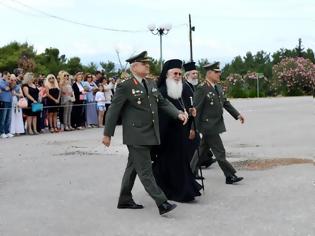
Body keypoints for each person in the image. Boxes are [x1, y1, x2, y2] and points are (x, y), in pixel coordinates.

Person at [102, 51, 188, 215]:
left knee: (133, 167)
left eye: (148, 64)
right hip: (136, 134)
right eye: (144, 64)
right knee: (145, 171)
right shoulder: (125, 86)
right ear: (134, 66)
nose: (148, 66)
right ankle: (162, 202)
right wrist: (107, 134)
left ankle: (124, 199)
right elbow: (113, 110)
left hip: (149, 133)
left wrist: (177, 113)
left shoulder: (150, 83)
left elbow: (162, 103)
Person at [152, 59, 202, 202]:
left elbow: (184, 106)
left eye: (179, 73)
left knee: (180, 162)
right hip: (167, 134)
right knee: (169, 164)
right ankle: (174, 191)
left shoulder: (180, 90)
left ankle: (182, 189)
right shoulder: (161, 91)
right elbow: (161, 114)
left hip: (180, 133)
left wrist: (190, 112)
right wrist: (178, 115)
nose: (178, 76)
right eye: (175, 73)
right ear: (167, 75)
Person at [191, 62, 245, 184]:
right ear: (209, 73)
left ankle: (190, 171)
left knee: (202, 149)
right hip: (208, 126)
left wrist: (237, 114)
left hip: (216, 124)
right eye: (216, 72)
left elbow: (225, 103)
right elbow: (196, 110)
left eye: (219, 72)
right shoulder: (202, 88)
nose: (219, 74)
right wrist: (193, 128)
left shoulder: (218, 87)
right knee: (220, 152)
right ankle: (229, 175)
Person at [183, 61, 216, 170]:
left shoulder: (194, 86)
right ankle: (197, 165)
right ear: (187, 75)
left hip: (196, 118)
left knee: (199, 142)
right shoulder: (184, 87)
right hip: (187, 120)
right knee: (196, 142)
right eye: (193, 74)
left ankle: (203, 161)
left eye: (196, 74)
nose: (196, 75)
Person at [0, 72, 14, 138]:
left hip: (9, 100)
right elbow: (6, 88)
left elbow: (12, 88)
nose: (9, 77)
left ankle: (7, 131)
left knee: (8, 118)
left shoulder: (8, 82)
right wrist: (8, 84)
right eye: (8, 75)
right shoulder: (1, 81)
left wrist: (9, 83)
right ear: (4, 75)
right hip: (4, 100)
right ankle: (2, 132)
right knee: (3, 117)